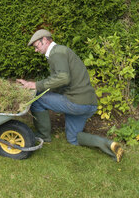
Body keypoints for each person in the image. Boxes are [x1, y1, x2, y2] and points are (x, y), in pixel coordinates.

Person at [17, 29, 124, 162]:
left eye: (36, 46)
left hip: (76, 103)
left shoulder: (57, 53)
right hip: (88, 104)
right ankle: (109, 145)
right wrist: (33, 84)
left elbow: (62, 78)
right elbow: (61, 81)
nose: (36, 50)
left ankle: (43, 136)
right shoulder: (61, 52)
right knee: (73, 138)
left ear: (44, 40)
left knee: (38, 101)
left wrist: (36, 85)